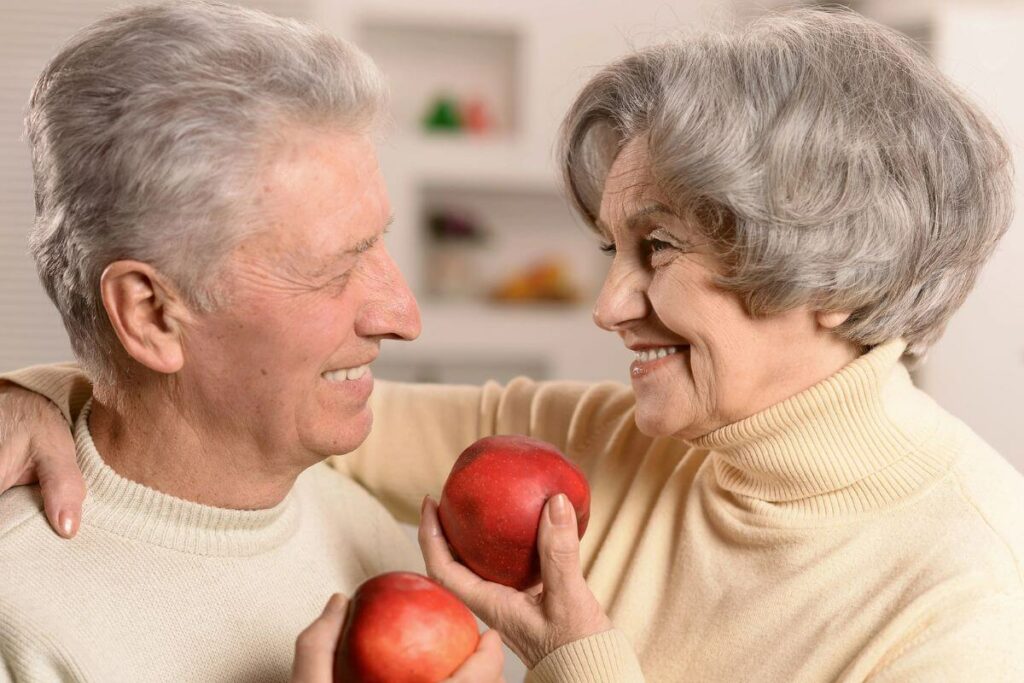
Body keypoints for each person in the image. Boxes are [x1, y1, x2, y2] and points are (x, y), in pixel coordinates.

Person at [4, 6, 1024, 682]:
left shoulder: (971, 596)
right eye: (608, 247)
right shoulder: (593, 437)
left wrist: (581, 658)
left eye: (656, 248)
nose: (607, 302)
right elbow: (240, 409)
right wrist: (32, 389)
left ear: (834, 282)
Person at [0, 2, 509, 681]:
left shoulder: (373, 533)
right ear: (151, 313)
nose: (403, 315)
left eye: (379, 243)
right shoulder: (19, 613)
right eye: (337, 267)